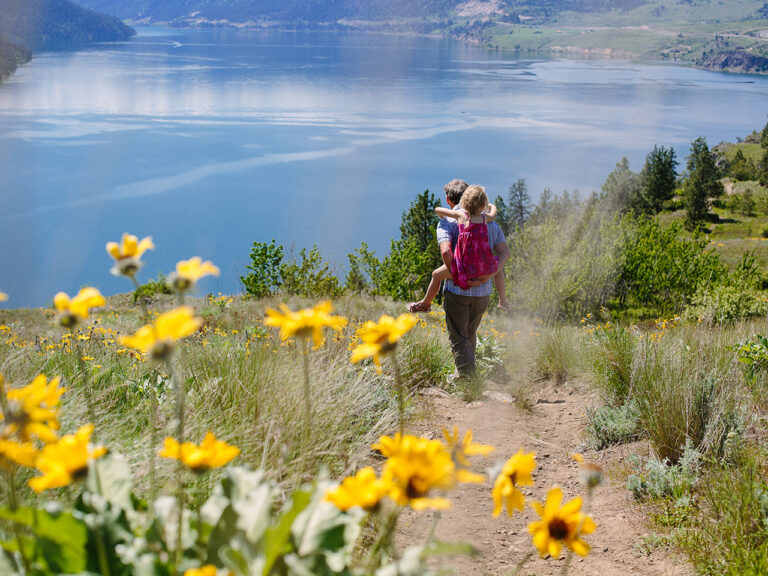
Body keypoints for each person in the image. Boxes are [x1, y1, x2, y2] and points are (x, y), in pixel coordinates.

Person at [435, 179, 510, 378]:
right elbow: (504, 253)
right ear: (483, 204)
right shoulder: (490, 222)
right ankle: (469, 373)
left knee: (459, 337)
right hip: (484, 291)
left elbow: (446, 253)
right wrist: (491, 274)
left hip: (459, 289)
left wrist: (461, 277)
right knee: (470, 333)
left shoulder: (455, 220)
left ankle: (468, 381)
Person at [407, 184, 508, 312]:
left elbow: (438, 210)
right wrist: (492, 206)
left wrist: (454, 211)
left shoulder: (460, 216)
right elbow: (493, 214)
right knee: (497, 266)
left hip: (465, 265)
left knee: (436, 275)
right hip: (482, 264)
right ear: (482, 205)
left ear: (463, 203)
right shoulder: (485, 218)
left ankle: (425, 304)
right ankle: (503, 301)